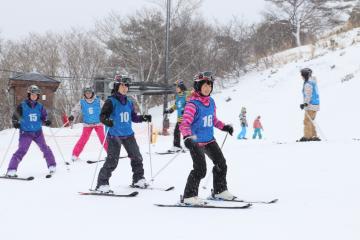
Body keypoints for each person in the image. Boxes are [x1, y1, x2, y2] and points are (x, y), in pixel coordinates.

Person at [179, 71, 235, 205]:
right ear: (198, 86)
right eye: (204, 85)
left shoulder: (211, 102)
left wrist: (224, 127)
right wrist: (187, 137)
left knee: (221, 164)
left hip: (209, 139)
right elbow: (184, 123)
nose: (207, 88)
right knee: (200, 169)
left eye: (210, 85)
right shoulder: (192, 104)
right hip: (195, 141)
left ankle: (220, 191)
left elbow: (213, 120)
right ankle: (189, 196)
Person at [95, 75, 152, 193]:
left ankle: (138, 179)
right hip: (114, 135)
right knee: (112, 161)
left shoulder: (129, 102)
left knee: (137, 157)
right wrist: (107, 121)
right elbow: (102, 116)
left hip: (128, 134)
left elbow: (134, 117)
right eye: (122, 85)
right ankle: (102, 184)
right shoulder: (111, 101)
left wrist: (143, 117)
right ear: (116, 86)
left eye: (127, 86)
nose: (125, 88)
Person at [6, 85, 56, 177]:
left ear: (38, 96)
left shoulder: (40, 107)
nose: (34, 96)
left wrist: (46, 121)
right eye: (32, 94)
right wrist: (15, 122)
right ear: (29, 95)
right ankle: (11, 170)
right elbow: (15, 116)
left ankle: (52, 165)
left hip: (38, 132)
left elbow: (44, 117)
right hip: (25, 132)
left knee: (45, 148)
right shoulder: (22, 105)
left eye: (36, 95)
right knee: (22, 150)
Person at [68, 86, 108, 161]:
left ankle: (111, 154)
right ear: (84, 94)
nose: (88, 94)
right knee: (83, 139)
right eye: (86, 93)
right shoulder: (82, 102)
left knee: (103, 138)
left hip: (98, 124)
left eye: (89, 93)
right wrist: (72, 116)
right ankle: (75, 155)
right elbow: (76, 110)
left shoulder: (98, 101)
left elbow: (106, 108)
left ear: (92, 93)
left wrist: (109, 114)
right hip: (87, 124)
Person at [164, 79, 190, 152]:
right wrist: (170, 110)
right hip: (180, 118)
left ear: (181, 87)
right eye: (176, 87)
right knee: (177, 132)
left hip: (186, 118)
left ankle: (191, 145)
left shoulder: (187, 94)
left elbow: (190, 104)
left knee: (185, 132)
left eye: (177, 87)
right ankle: (177, 146)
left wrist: (185, 110)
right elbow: (176, 105)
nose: (176, 89)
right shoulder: (178, 96)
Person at [298, 68, 320, 142]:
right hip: (315, 104)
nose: (301, 76)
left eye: (302, 75)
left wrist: (305, 104)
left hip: (311, 105)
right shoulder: (312, 82)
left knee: (307, 121)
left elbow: (308, 95)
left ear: (305, 75)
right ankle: (313, 136)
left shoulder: (308, 84)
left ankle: (307, 136)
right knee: (311, 121)